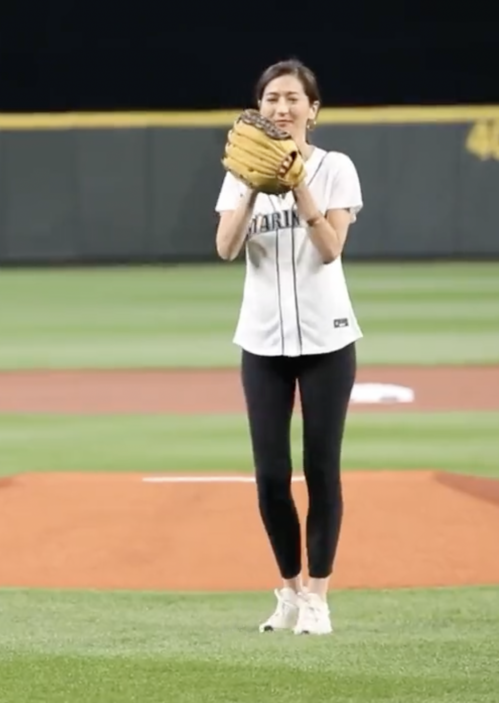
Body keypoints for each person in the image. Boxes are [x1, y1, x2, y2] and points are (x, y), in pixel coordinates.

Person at [213, 59, 364, 636]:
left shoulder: (335, 168)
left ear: (312, 109)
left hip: (328, 339)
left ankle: (319, 598)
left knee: (321, 468)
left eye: (292, 98)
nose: (282, 107)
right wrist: (252, 184)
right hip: (261, 340)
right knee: (270, 475)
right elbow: (226, 247)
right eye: (271, 98)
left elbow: (330, 248)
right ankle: (290, 589)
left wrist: (297, 181)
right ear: (260, 107)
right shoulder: (239, 172)